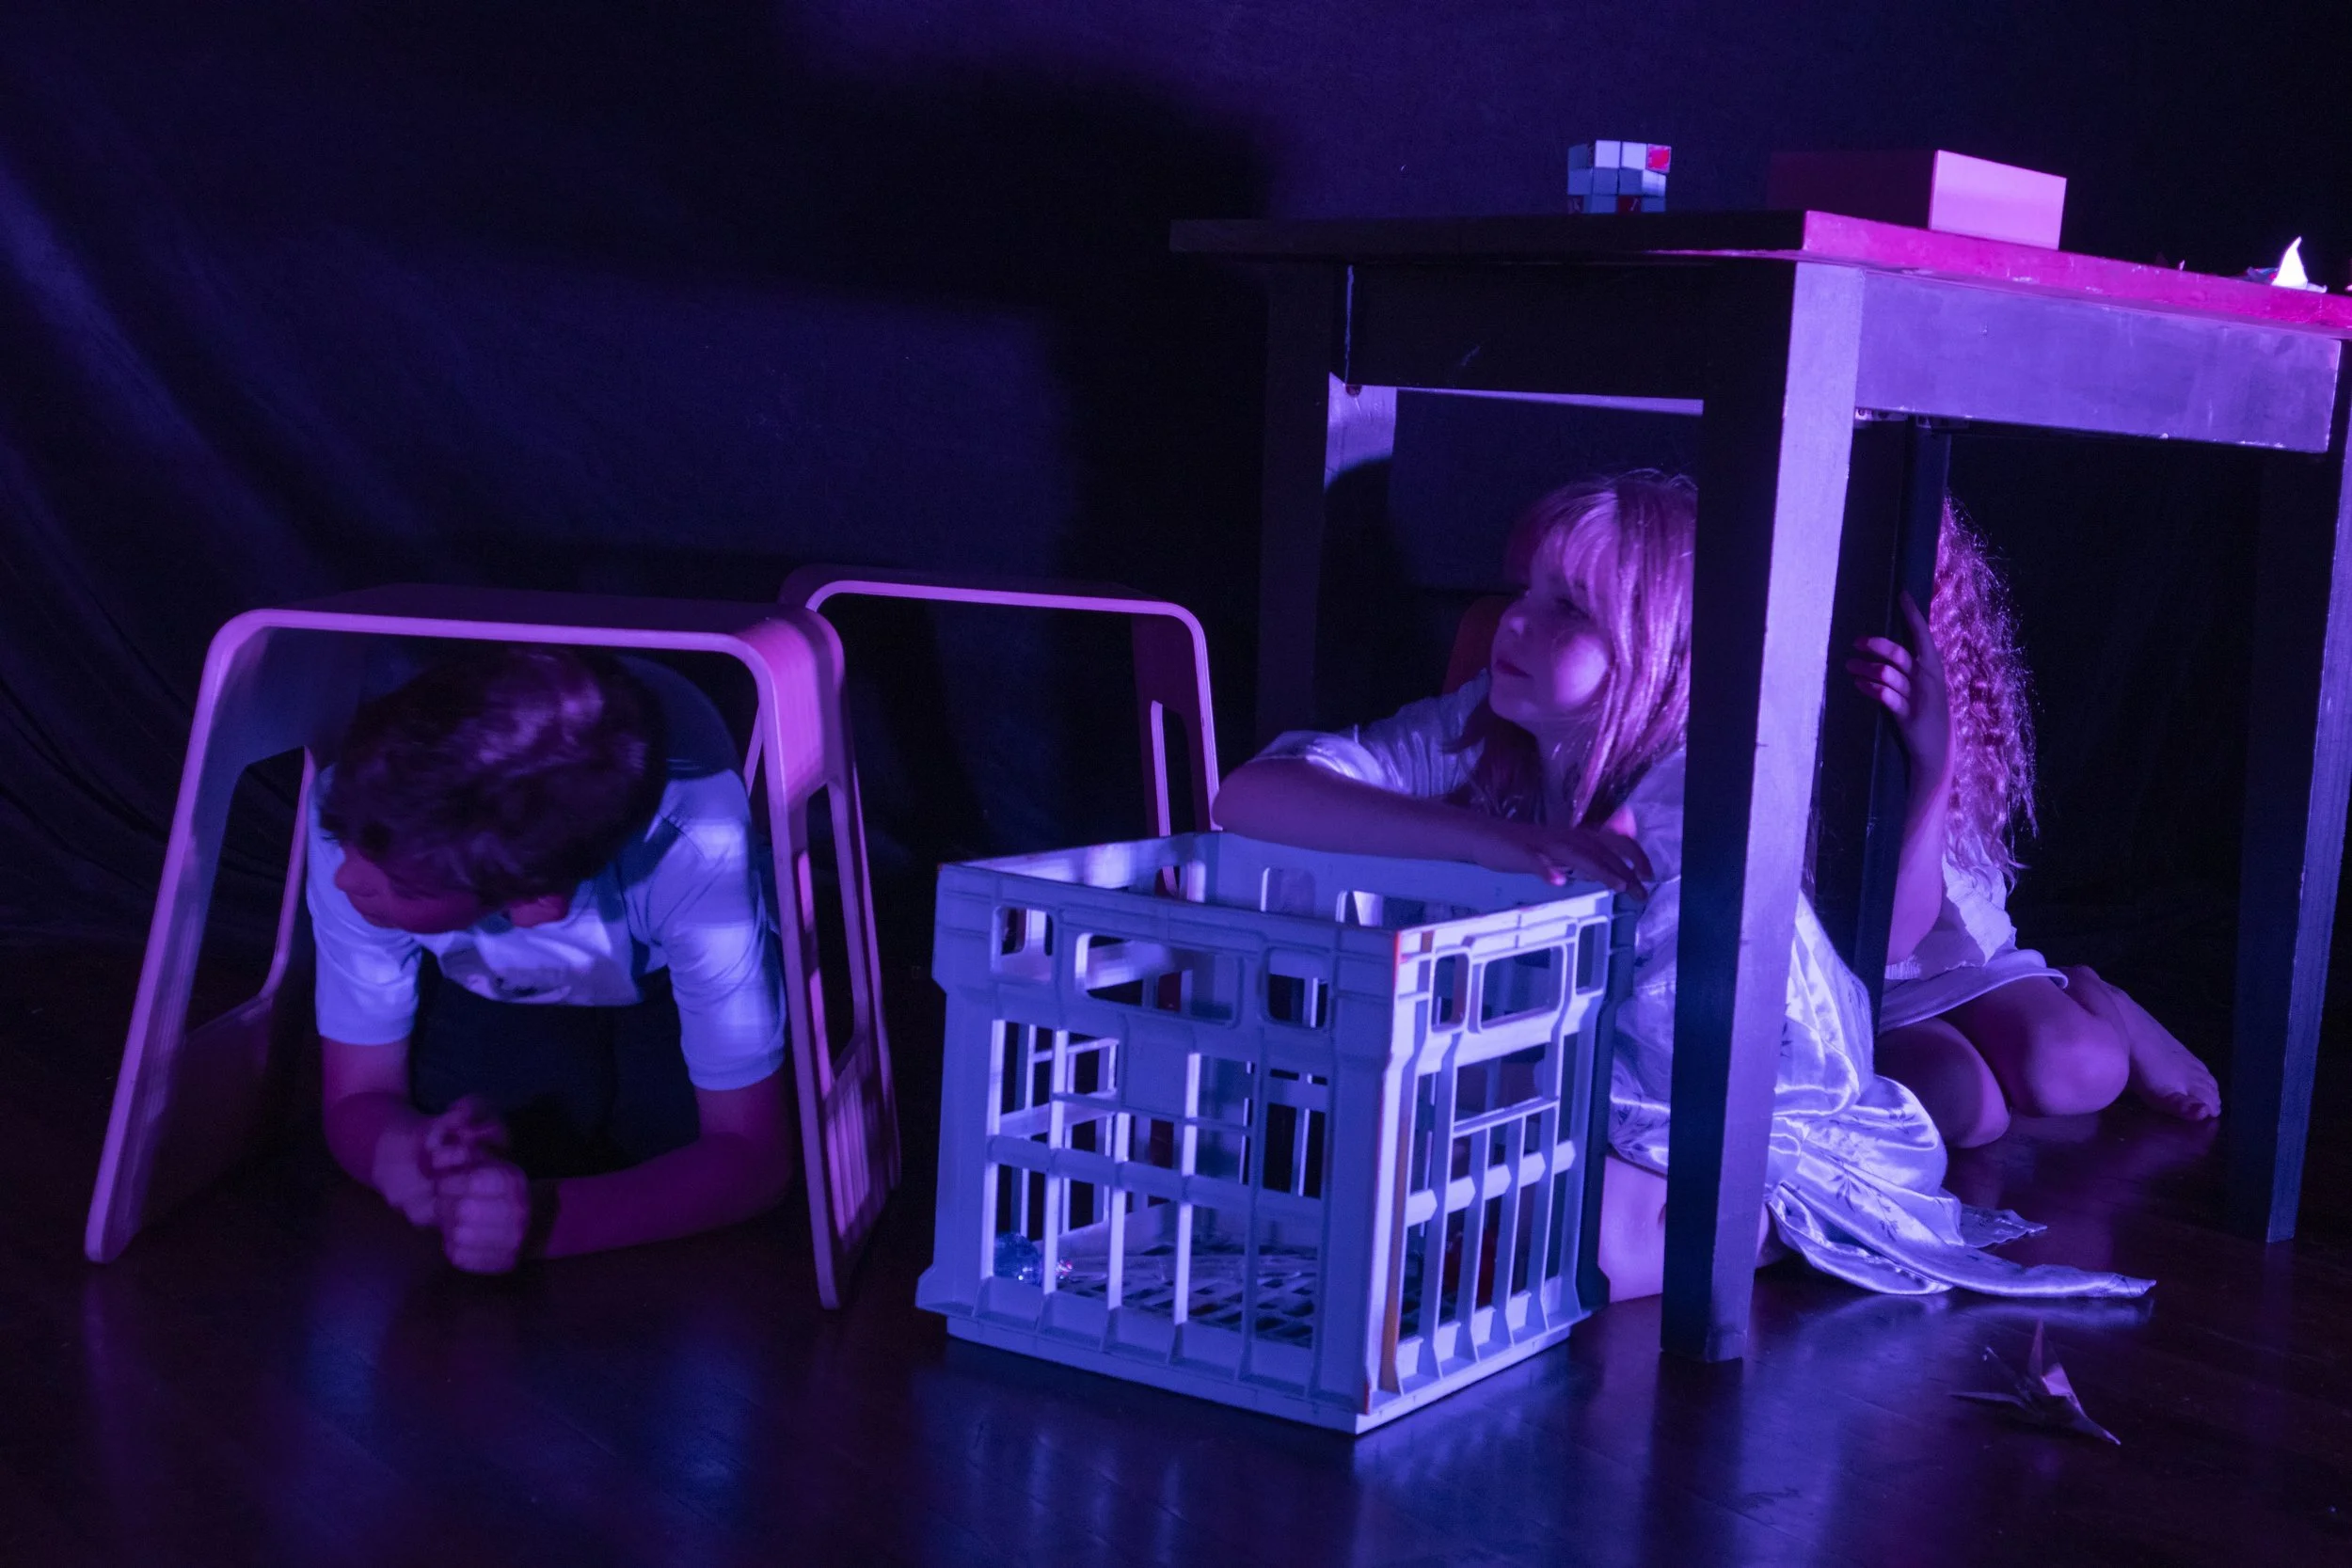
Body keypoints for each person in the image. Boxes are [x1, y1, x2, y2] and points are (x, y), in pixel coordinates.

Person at [1213, 472, 2148, 1301]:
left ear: (1659, 653)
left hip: (1717, 1103)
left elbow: (1706, 1057)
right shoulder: (1488, 725)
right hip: (1566, 1084)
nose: (1515, 622)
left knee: (1584, 1237)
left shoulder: (1693, 791)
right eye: (1524, 590)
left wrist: (1930, 775)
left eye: (1569, 609)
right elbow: (1250, 795)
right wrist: (1503, 842)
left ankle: (1766, 1224)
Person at [308, 645, 797, 1275]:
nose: (347, 878)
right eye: (345, 842)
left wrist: (546, 1223)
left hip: (657, 967)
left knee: (662, 1139)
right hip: (495, 965)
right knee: (494, 1123)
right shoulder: (357, 811)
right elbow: (359, 1094)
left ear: (535, 904)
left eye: (405, 887)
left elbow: (753, 1154)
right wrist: (398, 1150)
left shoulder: (695, 846)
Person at [1850, 499, 2222, 1148]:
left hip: (1961, 959)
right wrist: (1934, 763)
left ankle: (2105, 1000)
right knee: (1970, 1112)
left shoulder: (1935, 686)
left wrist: (1937, 759)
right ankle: (1976, 1057)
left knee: (2081, 1069)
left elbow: (1927, 934)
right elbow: (1888, 944)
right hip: (1862, 986)